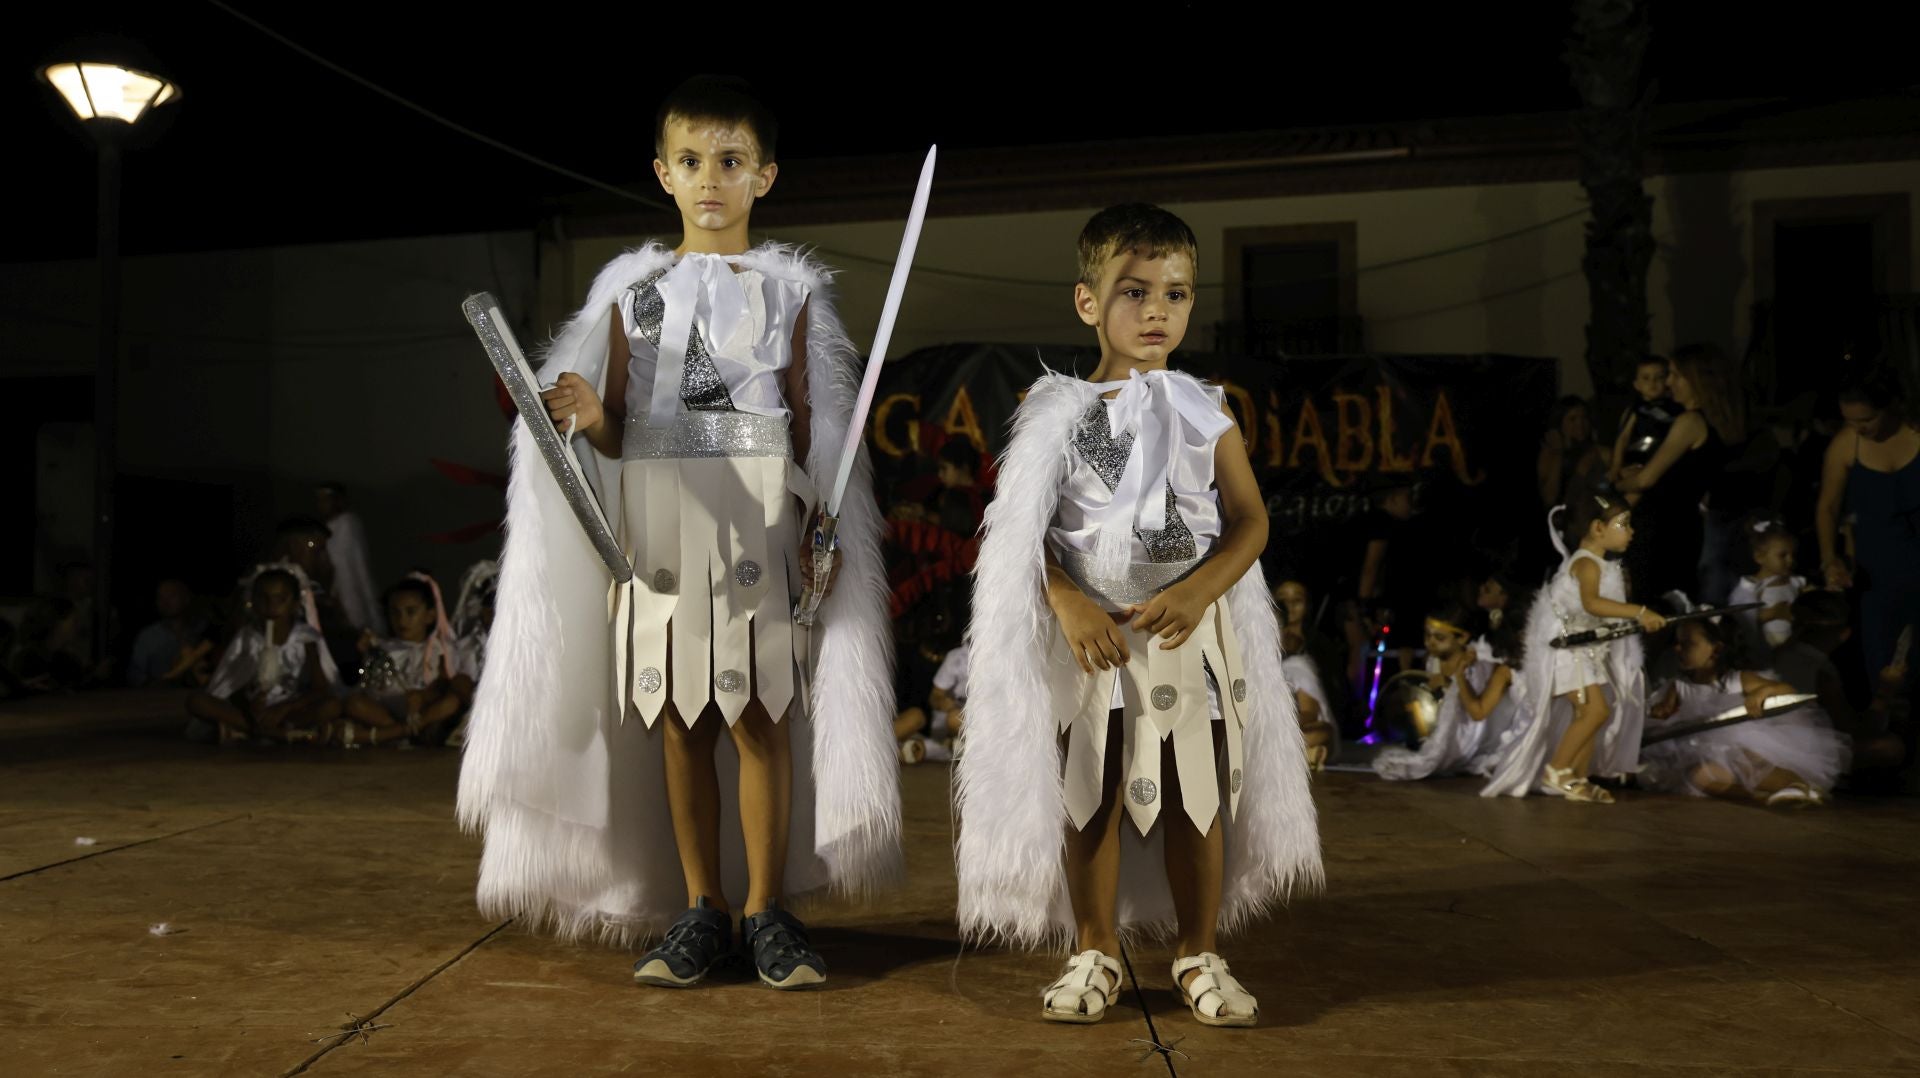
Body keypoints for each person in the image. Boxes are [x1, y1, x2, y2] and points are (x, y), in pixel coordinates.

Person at [456, 76, 899, 992]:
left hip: (759, 524)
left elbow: (814, 424)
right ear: (663, 173)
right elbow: (625, 427)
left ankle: (767, 910)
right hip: (658, 529)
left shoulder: (789, 294)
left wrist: (822, 525)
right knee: (679, 718)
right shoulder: (634, 294)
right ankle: (702, 907)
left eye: (731, 162)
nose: (710, 179)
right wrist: (591, 416)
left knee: (759, 714)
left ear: (764, 177)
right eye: (692, 161)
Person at [956, 204, 1320, 1028]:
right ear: (1088, 302)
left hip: (1187, 635)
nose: (1157, 311)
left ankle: (1199, 950)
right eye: (1135, 291)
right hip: (1092, 642)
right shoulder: (1053, 411)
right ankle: (1095, 948)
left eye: (1176, 294)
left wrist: (1198, 591)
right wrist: (1065, 598)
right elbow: (1020, 534)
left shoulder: (1208, 410)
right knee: (1093, 790)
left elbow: (1250, 521)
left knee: (1197, 792)